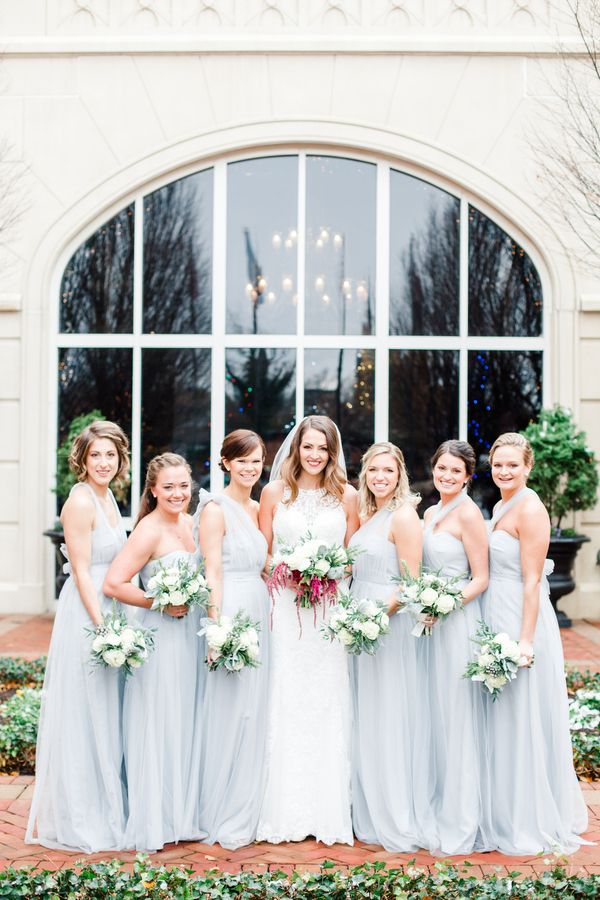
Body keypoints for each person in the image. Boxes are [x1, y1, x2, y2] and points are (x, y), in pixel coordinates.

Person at [480, 432, 589, 854]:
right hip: (496, 607)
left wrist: (525, 642)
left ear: (528, 467)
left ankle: (526, 814)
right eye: (498, 464)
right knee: (501, 714)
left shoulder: (531, 508)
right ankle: (503, 804)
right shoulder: (500, 504)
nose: (504, 471)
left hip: (521, 615)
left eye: (512, 464)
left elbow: (531, 579)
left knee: (520, 711)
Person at [26, 420, 129, 852]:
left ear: (120, 459)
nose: (103, 463)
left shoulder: (108, 498)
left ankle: (110, 804)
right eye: (95, 456)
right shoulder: (80, 502)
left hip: (113, 605)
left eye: (110, 455)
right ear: (82, 461)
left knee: (108, 709)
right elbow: (82, 570)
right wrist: (101, 625)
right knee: (87, 708)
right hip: (90, 611)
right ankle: (84, 816)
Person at [256, 415, 359, 846]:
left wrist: (328, 573)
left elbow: (353, 556)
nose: (315, 455)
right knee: (286, 697)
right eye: (308, 447)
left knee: (325, 699)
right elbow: (262, 555)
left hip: (328, 614)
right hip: (285, 612)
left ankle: (327, 811)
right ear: (295, 449)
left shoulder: (348, 496)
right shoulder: (274, 492)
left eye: (323, 448)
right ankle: (281, 808)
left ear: (332, 453)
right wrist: (290, 573)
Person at [103, 453, 204, 851]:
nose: (178, 493)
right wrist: (157, 602)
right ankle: (155, 819)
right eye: (169, 487)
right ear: (153, 489)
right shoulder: (148, 529)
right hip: (159, 638)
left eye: (184, 485)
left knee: (182, 720)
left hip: (188, 639)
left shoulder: (190, 522)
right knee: (157, 722)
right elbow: (114, 583)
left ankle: (180, 814)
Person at [195, 430, 270, 849]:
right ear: (225, 462)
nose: (249, 467)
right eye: (241, 460)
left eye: (256, 460)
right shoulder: (214, 509)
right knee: (231, 710)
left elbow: (262, 563)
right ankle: (221, 806)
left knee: (254, 709)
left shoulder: (257, 507)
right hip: (231, 611)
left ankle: (251, 801)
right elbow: (213, 572)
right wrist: (215, 629)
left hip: (260, 608)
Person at [413, 440, 489, 855]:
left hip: (456, 623)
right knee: (435, 712)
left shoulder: (470, 514)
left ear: (467, 476)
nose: (446, 476)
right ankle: (437, 803)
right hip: (429, 624)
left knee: (456, 715)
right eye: (441, 469)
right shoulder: (429, 512)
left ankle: (461, 818)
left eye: (455, 472)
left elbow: (480, 578)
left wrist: (445, 605)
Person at [349, 441, 422, 851]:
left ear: (399, 476)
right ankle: (369, 808)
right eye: (374, 471)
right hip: (360, 628)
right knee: (368, 715)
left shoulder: (404, 517)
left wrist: (376, 617)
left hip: (387, 629)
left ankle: (394, 812)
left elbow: (410, 584)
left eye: (388, 472)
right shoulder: (369, 515)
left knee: (388, 715)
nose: (380, 478)